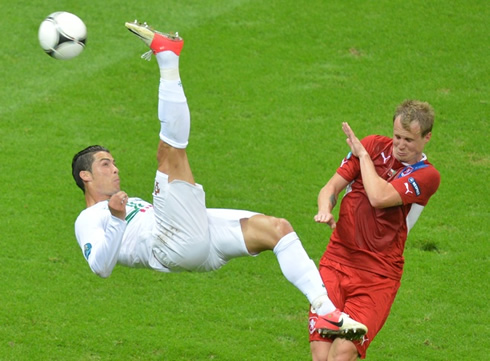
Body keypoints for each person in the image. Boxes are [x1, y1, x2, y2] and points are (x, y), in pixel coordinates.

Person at [71, 20, 368, 339]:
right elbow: (100, 268)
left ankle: (327, 312)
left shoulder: (126, 203)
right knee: (169, 153)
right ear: (85, 176)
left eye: (113, 162)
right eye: (105, 164)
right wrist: (116, 218)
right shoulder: (88, 219)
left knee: (277, 229)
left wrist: (120, 213)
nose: (115, 168)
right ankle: (167, 57)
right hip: (170, 244)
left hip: (195, 242)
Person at [308, 101, 441, 360]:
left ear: (427, 138)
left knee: (342, 353)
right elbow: (330, 188)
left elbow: (379, 197)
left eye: (409, 140)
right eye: (397, 136)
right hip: (337, 260)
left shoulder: (427, 176)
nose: (400, 145)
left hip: (377, 274)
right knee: (320, 353)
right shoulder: (372, 145)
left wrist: (364, 157)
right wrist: (325, 208)